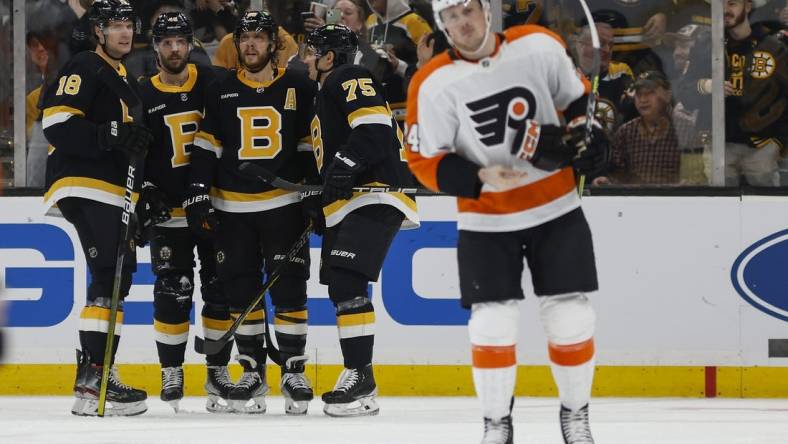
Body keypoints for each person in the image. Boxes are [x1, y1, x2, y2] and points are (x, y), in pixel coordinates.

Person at [407, 0, 609, 442]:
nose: (463, 23)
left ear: (486, 11)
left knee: (571, 315)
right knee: (491, 322)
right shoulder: (431, 82)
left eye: (468, 11)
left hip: (555, 208)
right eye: (451, 17)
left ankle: (576, 415)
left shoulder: (538, 44)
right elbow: (422, 159)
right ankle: (496, 422)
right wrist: (478, 174)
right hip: (486, 219)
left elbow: (576, 101)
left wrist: (587, 139)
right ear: (442, 25)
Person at [187, 10, 318, 415]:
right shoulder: (221, 87)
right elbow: (208, 144)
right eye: (245, 38)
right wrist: (197, 192)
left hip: (284, 206)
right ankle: (252, 370)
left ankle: (294, 369)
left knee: (290, 288)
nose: (250, 45)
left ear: (273, 45)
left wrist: (313, 190)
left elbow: (307, 142)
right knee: (241, 290)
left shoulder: (298, 85)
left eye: (259, 38)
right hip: (232, 207)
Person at [41, 0, 153, 416]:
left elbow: (129, 144)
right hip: (86, 184)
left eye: (128, 24)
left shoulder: (127, 78)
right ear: (97, 32)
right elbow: (56, 122)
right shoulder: (86, 66)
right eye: (114, 26)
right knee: (109, 276)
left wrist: (143, 192)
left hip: (113, 191)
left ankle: (96, 374)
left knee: (112, 280)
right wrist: (112, 133)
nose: (124, 32)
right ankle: (94, 377)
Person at [303, 23, 420, 417]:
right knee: (341, 284)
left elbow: (373, 130)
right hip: (353, 199)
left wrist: (344, 167)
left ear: (329, 57)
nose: (305, 58)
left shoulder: (348, 75)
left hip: (372, 193)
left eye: (311, 51)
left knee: (348, 281)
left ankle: (360, 378)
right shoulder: (327, 90)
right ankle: (359, 377)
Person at [137, 11, 237, 413]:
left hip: (214, 208)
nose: (174, 49)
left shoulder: (212, 81)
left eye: (180, 41)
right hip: (169, 213)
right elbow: (136, 153)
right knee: (171, 292)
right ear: (156, 46)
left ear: (191, 43)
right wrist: (145, 190)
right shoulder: (141, 93)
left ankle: (216, 370)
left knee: (219, 289)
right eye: (166, 42)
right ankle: (171, 370)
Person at [593, 71, 699, 185]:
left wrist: (687, 184)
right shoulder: (625, 132)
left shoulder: (685, 127)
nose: (643, 100)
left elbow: (696, 177)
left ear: (668, 95)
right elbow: (618, 174)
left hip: (675, 200)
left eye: (650, 93)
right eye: (639, 94)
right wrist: (608, 181)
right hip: (635, 200)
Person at [365, 0, 432, 122]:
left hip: (408, 100)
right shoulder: (370, 21)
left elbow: (432, 63)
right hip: (379, 103)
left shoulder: (414, 21)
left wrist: (399, 66)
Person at [574, 10, 636, 135]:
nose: (607, 50)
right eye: (601, 43)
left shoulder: (621, 72)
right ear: (580, 45)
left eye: (611, 45)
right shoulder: (565, 74)